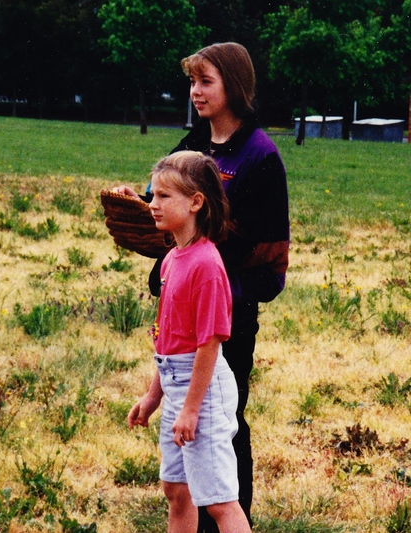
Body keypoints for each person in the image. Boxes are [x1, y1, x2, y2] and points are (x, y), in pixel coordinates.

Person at [115, 42, 290, 530]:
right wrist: (140, 205)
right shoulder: (192, 143)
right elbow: (164, 201)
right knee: (187, 444)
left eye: (205, 81)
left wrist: (217, 279)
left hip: (226, 311)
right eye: (192, 81)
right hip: (181, 309)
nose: (195, 91)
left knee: (220, 426)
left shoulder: (260, 155)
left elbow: (270, 258)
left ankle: (230, 519)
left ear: (234, 86)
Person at [127, 151, 250, 533]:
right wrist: (153, 396)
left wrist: (192, 411)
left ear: (196, 202)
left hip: (204, 394)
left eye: (164, 196)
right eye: (152, 195)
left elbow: (208, 344)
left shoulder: (207, 265)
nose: (153, 204)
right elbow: (167, 341)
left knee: (218, 501)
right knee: (176, 490)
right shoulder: (171, 260)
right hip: (177, 386)